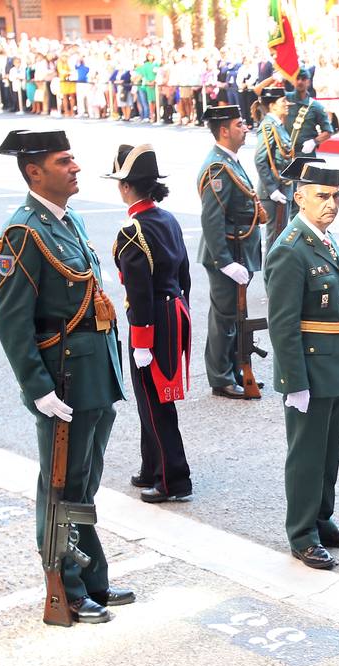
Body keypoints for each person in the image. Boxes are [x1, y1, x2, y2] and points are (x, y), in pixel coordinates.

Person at [0, 129, 132, 624]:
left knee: (84, 485)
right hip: (64, 384)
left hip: (94, 378)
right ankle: (66, 590)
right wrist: (38, 389)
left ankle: (93, 578)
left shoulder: (67, 222)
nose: (75, 168)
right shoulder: (22, 233)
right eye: (63, 160)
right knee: (61, 489)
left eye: (73, 159)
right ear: (35, 172)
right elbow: (11, 319)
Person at [265, 155, 339, 569]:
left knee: (328, 454)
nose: (332, 203)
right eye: (323, 195)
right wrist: (294, 381)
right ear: (299, 196)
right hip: (308, 367)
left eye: (337, 195)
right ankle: (302, 533)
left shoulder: (323, 239)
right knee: (306, 455)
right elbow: (283, 324)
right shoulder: (290, 249)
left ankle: (322, 520)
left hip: (335, 364)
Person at [107, 144, 193, 503]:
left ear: (127, 186)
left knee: (156, 402)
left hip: (151, 321)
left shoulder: (133, 229)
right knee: (149, 399)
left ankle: (174, 479)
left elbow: (139, 290)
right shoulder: (167, 219)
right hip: (174, 312)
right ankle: (150, 466)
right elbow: (184, 275)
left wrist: (142, 339)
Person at [197, 104, 264, 399]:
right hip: (227, 254)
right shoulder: (217, 168)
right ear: (224, 130)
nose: (245, 127)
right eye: (240, 124)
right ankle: (221, 377)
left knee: (236, 318)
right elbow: (211, 218)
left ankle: (235, 370)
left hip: (239, 251)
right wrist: (224, 262)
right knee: (224, 318)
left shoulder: (230, 162)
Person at [254, 85, 295, 253]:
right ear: (272, 106)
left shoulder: (278, 125)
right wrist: (272, 190)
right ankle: (271, 278)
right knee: (274, 241)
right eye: (283, 101)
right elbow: (260, 160)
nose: (287, 104)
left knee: (281, 238)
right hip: (274, 193)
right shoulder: (268, 126)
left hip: (284, 189)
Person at [284, 67, 335, 155]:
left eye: (303, 79)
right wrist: (274, 78)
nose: (300, 81)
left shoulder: (316, 106)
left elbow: (328, 131)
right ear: (293, 81)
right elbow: (258, 91)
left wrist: (314, 142)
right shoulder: (284, 99)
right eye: (297, 78)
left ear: (308, 82)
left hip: (305, 152)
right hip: (285, 152)